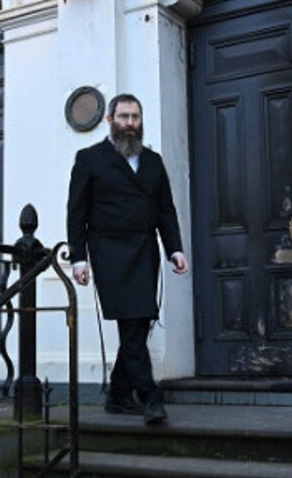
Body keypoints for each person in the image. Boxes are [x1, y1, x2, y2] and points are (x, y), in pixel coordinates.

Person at [66, 93, 188, 425]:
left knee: (140, 321)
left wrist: (174, 249)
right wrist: (78, 258)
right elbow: (76, 212)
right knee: (131, 322)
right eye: (124, 117)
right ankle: (150, 396)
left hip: (145, 250)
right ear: (110, 120)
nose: (130, 123)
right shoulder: (89, 159)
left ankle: (119, 394)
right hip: (108, 252)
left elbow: (165, 210)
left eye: (135, 117)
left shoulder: (153, 161)